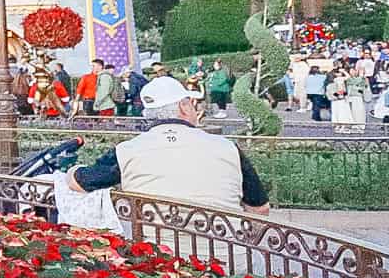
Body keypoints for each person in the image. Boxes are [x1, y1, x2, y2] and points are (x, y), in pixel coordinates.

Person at [68, 76, 268, 220]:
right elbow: (260, 209)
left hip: (154, 264)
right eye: (192, 103)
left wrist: (71, 171)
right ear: (183, 106)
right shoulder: (228, 148)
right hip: (227, 259)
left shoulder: (127, 150)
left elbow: (79, 182)